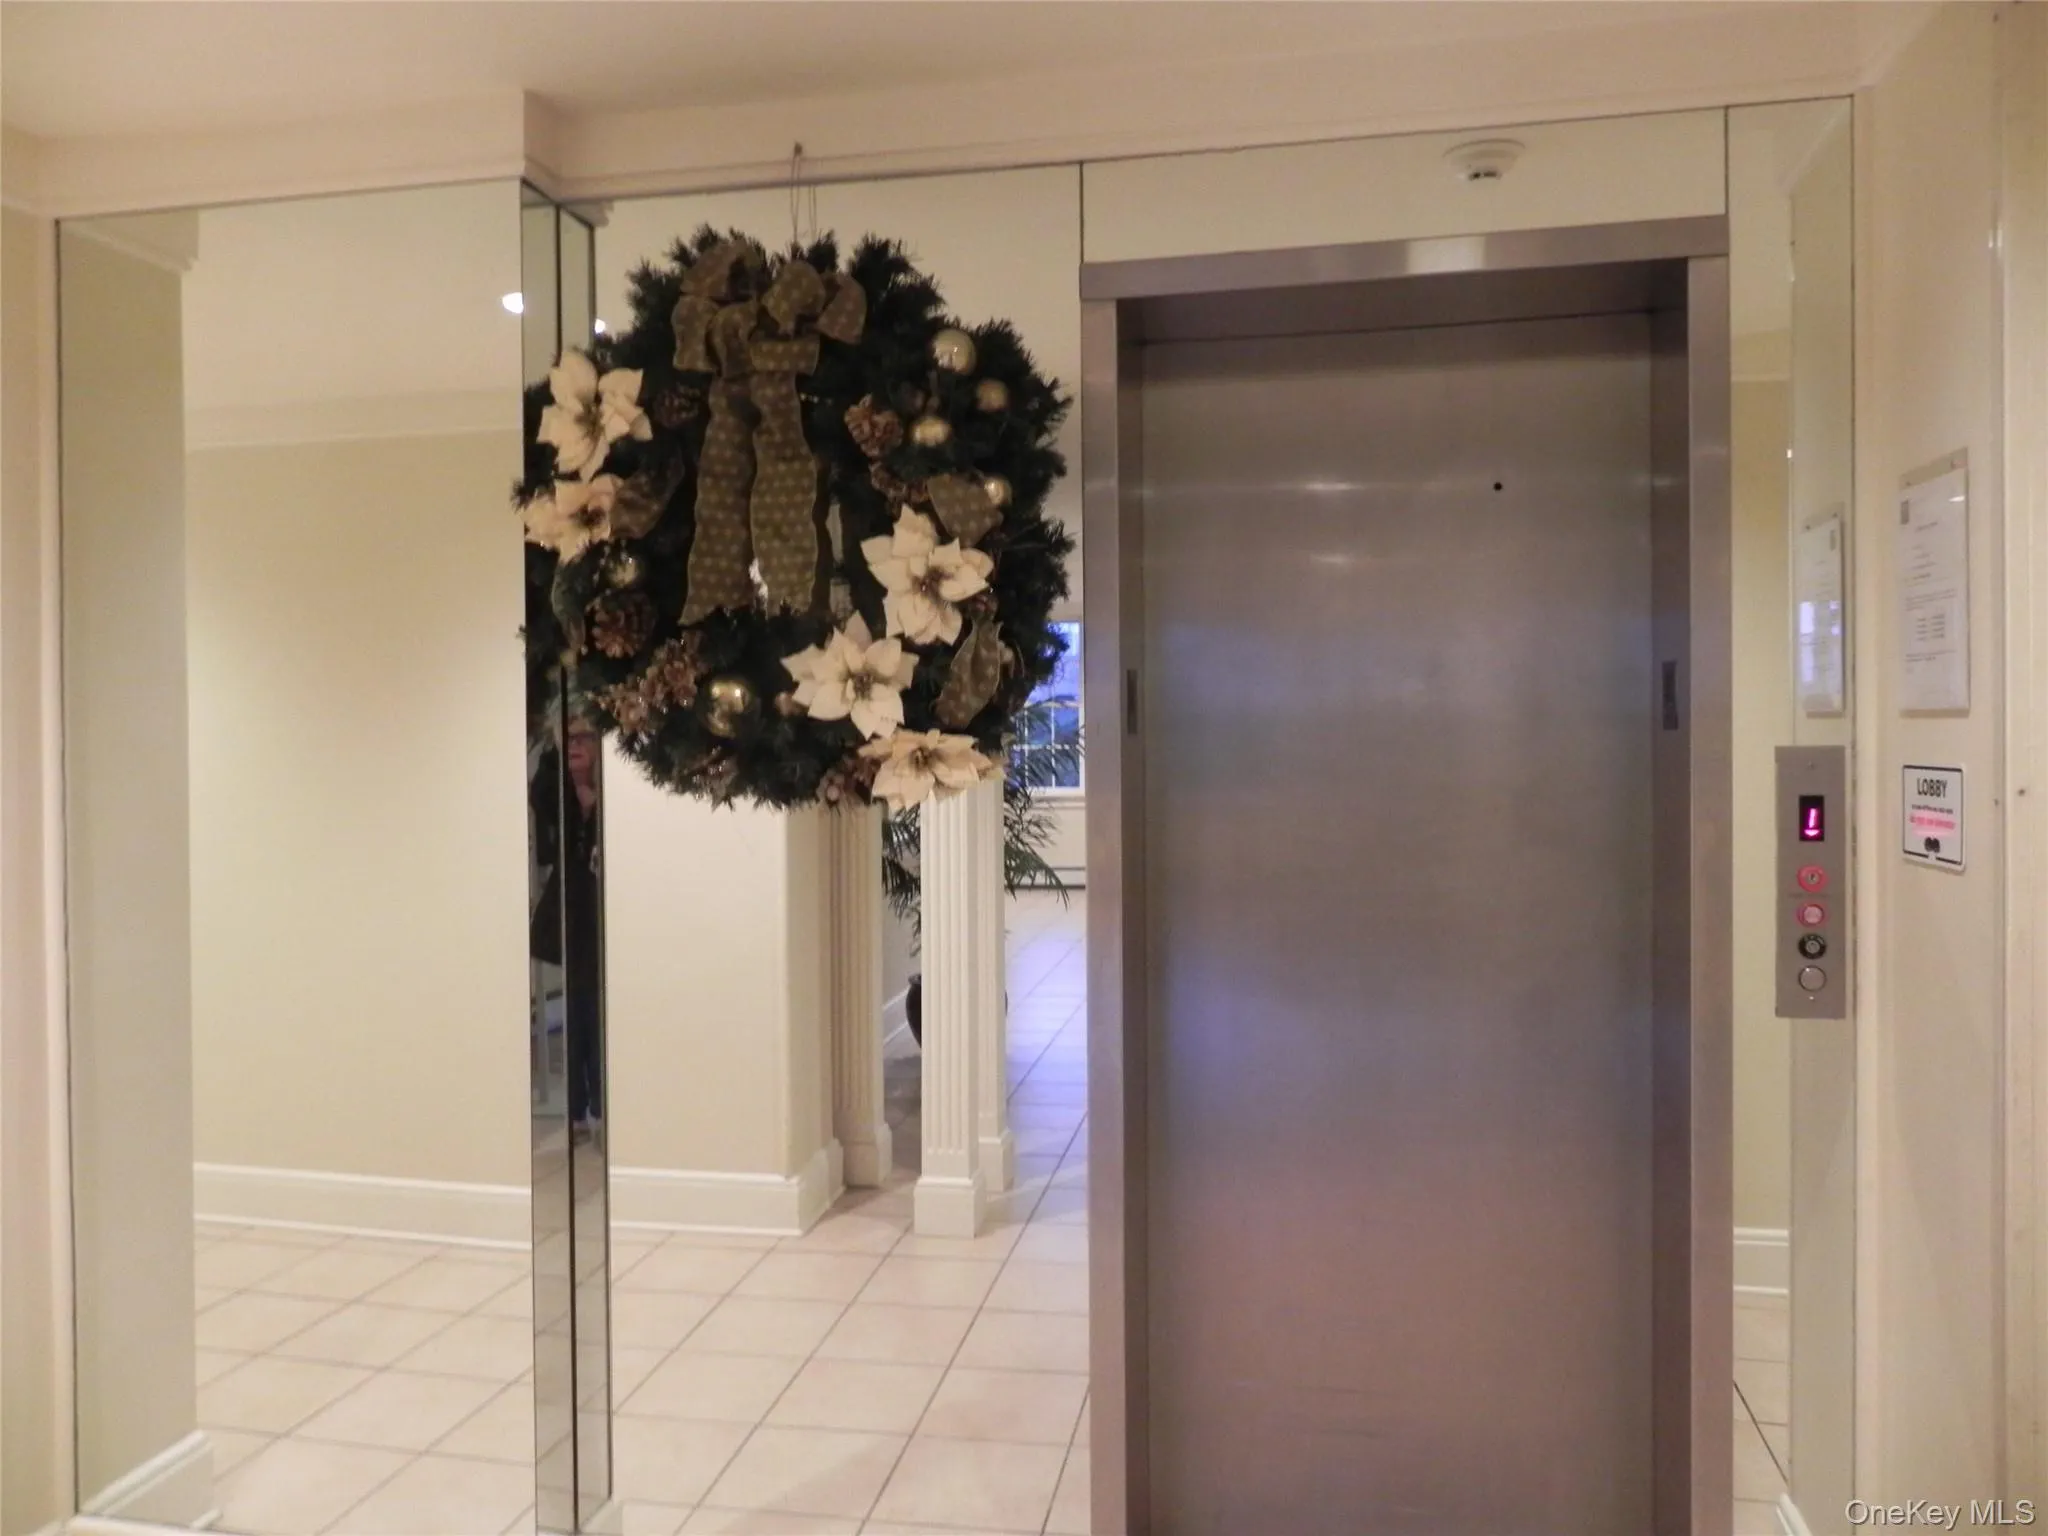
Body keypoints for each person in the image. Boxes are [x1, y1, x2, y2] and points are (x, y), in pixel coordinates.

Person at [530, 710, 605, 1135]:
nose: (576, 746)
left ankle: (598, 1106)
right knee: (578, 1015)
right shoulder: (560, 795)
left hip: (603, 920)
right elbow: (540, 793)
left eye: (584, 738)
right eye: (570, 740)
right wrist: (553, 748)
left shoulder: (606, 800)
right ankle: (578, 1111)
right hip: (573, 921)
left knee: (596, 1015)